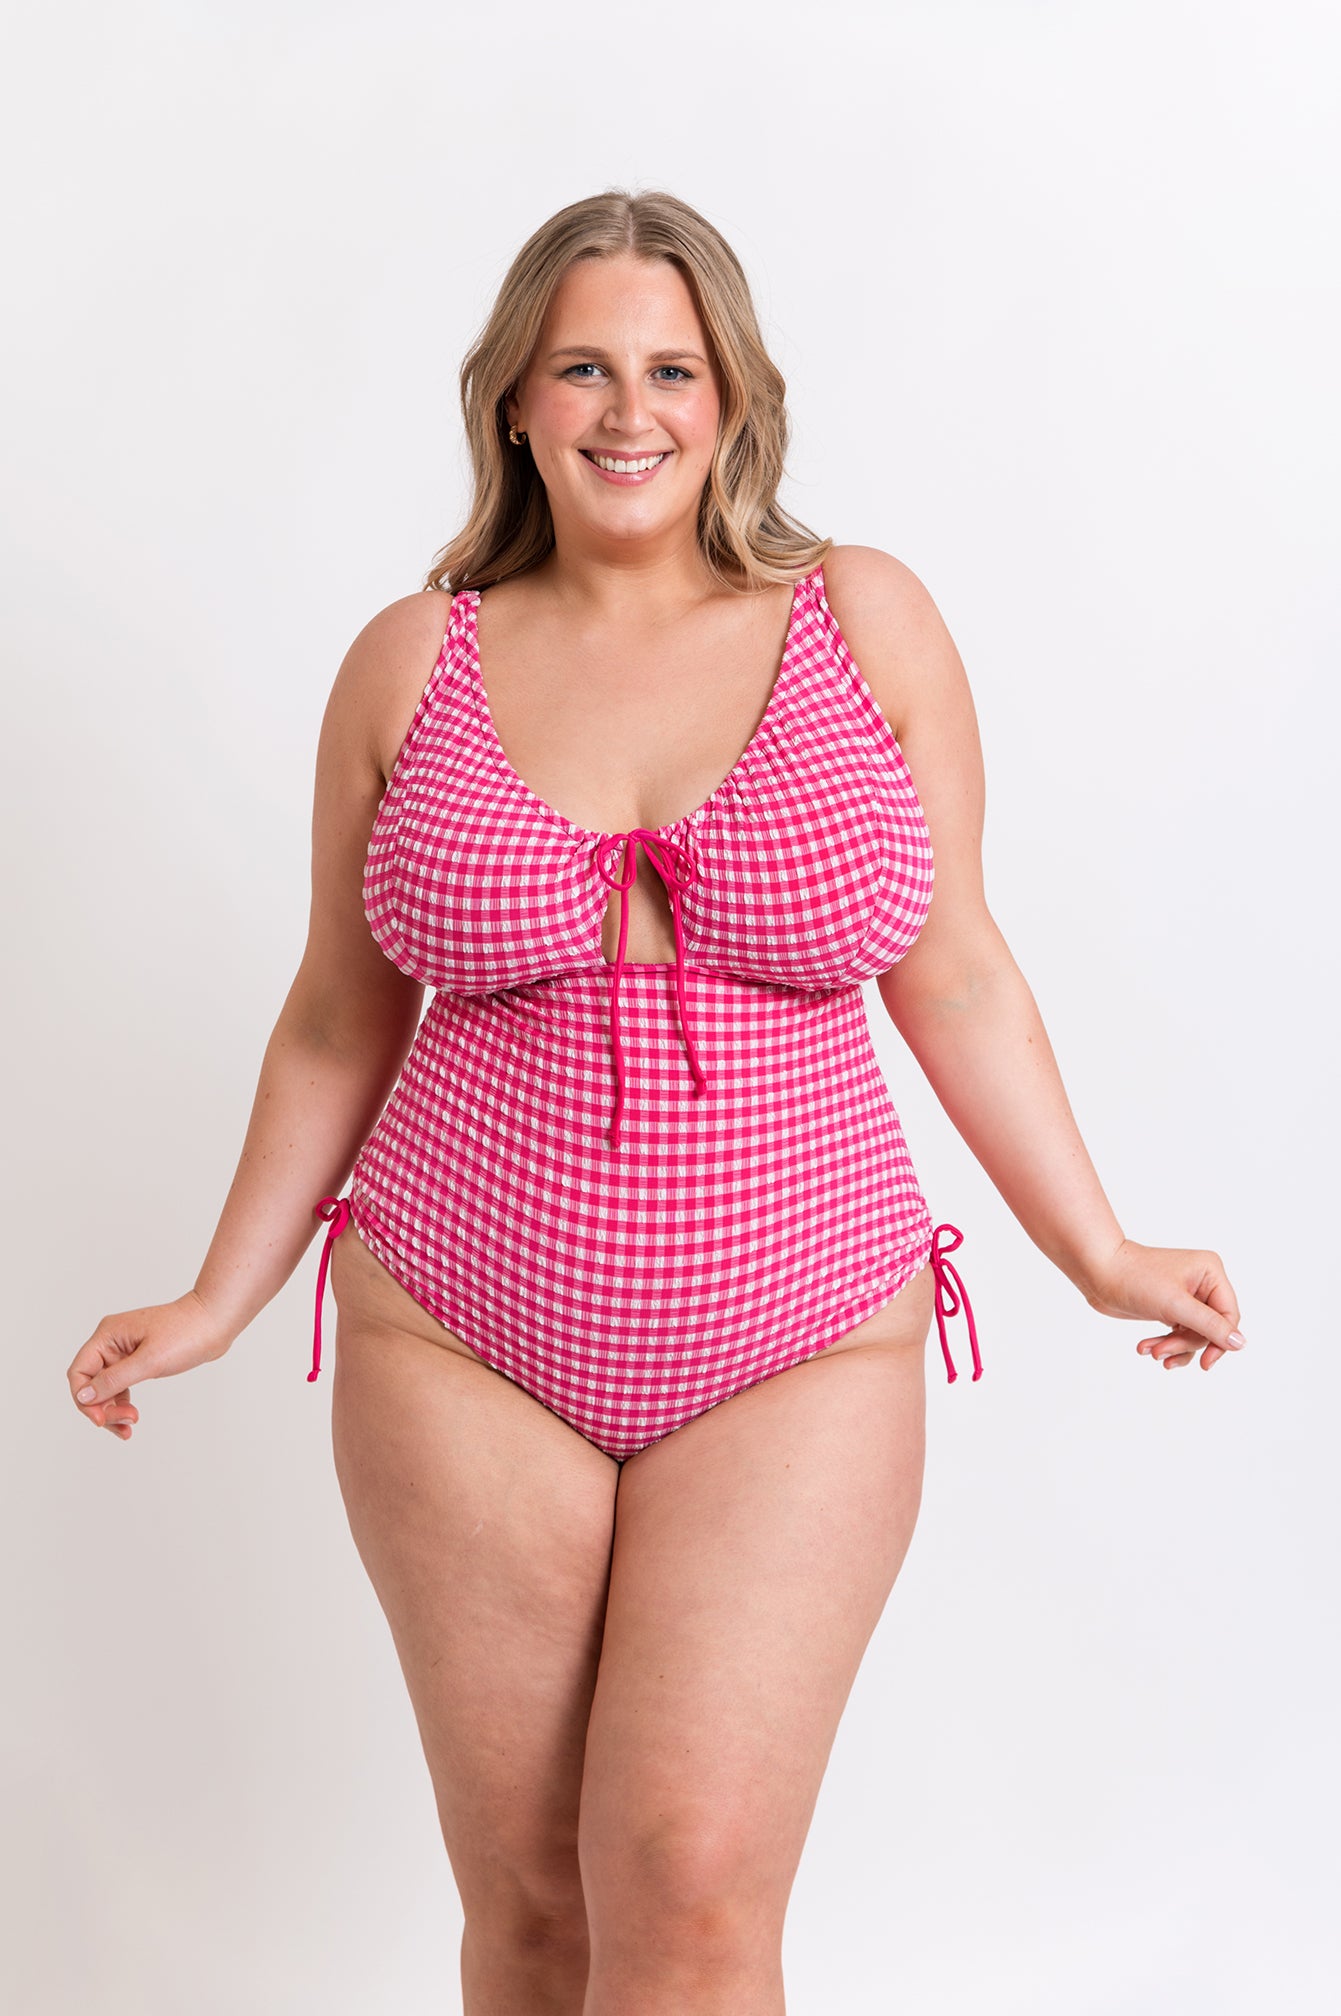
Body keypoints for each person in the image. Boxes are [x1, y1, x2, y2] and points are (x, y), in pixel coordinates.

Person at [68, 188, 1245, 2016]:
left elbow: (955, 969)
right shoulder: (411, 658)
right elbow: (334, 1016)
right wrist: (221, 1297)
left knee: (689, 1890)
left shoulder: (863, 619)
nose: (631, 411)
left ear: (734, 396)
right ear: (513, 399)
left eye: (673, 370)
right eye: (584, 369)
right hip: (458, 1335)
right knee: (535, 1908)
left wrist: (1096, 1249)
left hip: (800, 1334)